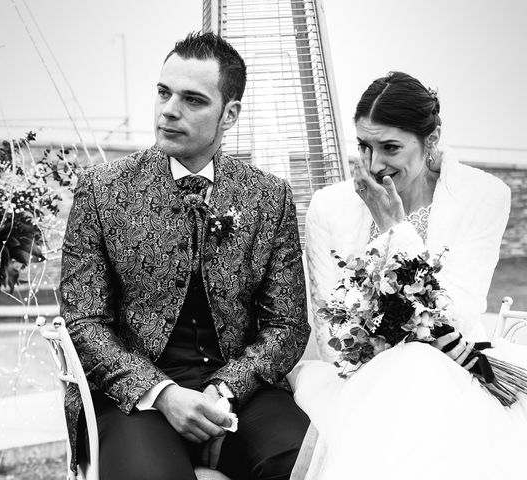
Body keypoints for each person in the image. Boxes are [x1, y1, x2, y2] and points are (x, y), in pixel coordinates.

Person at [60, 31, 310, 480]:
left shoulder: (269, 196)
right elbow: (84, 322)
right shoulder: (102, 190)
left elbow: (287, 325)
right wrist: (162, 393)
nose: (169, 110)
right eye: (163, 93)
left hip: (242, 391)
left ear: (229, 114)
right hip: (134, 397)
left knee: (296, 463)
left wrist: (226, 390)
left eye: (192, 99)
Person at [288, 71, 527, 480]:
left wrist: (394, 229)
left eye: (391, 147)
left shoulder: (483, 196)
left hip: (454, 371)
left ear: (430, 140)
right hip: (357, 378)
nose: (374, 164)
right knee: (408, 375)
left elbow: (458, 314)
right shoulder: (329, 207)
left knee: (420, 371)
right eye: (364, 146)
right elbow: (331, 334)